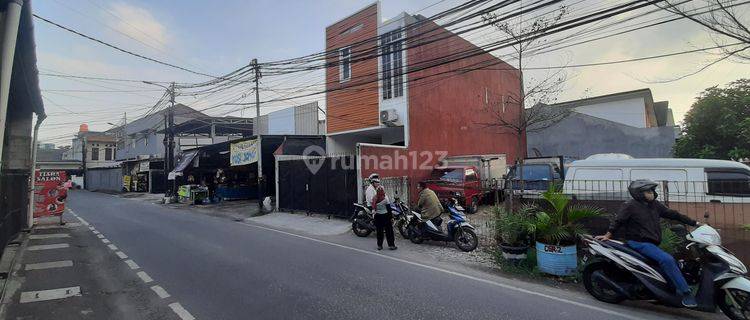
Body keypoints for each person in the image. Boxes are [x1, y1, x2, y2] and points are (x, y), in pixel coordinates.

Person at [596, 179, 700, 308]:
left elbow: (673, 214)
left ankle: (666, 290)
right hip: (638, 242)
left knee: (676, 262)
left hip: (651, 244)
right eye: (648, 191)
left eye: (652, 191)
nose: (652, 193)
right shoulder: (630, 205)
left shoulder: (655, 205)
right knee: (667, 260)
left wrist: (694, 223)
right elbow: (618, 221)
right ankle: (686, 293)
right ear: (639, 193)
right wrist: (608, 235)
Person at [370, 176, 396, 251]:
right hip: (386, 216)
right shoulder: (385, 198)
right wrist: (391, 217)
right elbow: (389, 209)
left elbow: (373, 208)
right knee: (389, 231)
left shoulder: (374, 198)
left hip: (377, 216)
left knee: (379, 231)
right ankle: (391, 245)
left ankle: (379, 245)